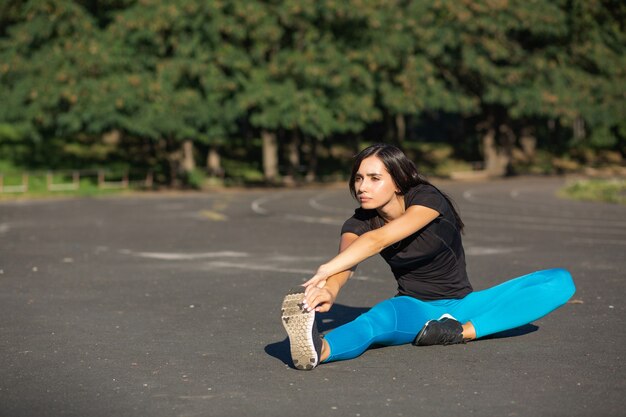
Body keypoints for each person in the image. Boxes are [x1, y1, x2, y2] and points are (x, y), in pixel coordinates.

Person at [280, 143, 575, 370]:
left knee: (559, 281)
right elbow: (349, 259)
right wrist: (330, 286)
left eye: (373, 178)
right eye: (359, 178)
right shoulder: (359, 222)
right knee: (375, 320)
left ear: (397, 181)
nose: (362, 187)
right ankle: (319, 350)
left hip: (464, 305)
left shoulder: (427, 199)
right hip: (415, 309)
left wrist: (323, 269)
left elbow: (379, 239)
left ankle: (461, 332)